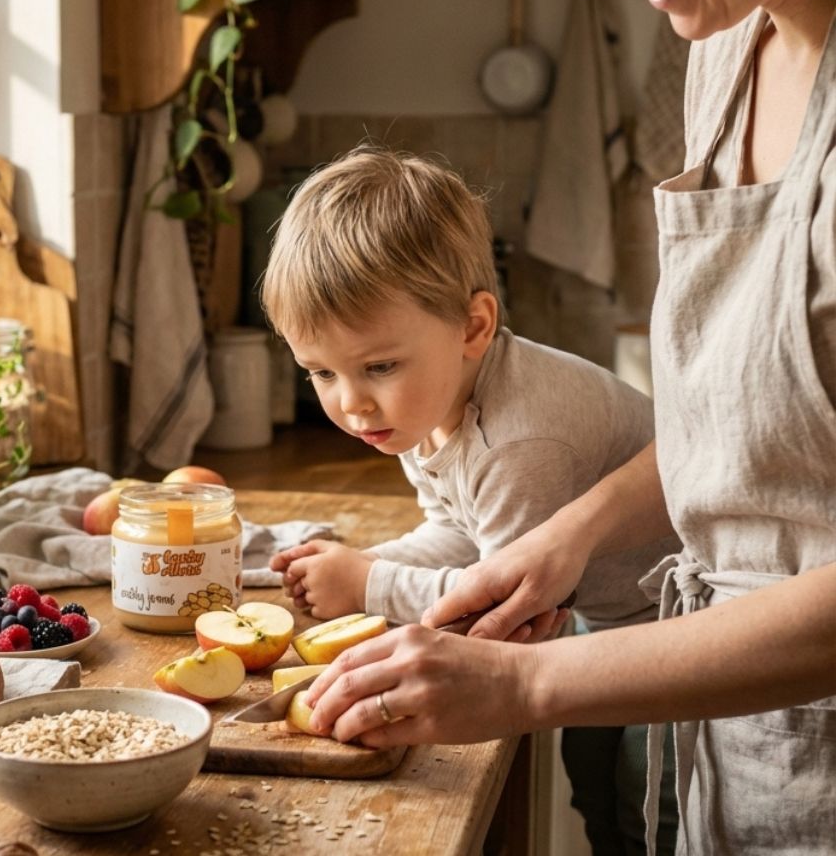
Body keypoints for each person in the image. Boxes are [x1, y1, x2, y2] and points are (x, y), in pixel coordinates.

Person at [301, 0, 836, 854]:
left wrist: (527, 680)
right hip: (735, 750)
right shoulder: (725, 46)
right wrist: (569, 536)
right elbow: (743, 436)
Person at [260, 146, 680, 853]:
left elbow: (502, 603)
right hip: (600, 621)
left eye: (378, 366)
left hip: (672, 632)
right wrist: (361, 563)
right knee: (597, 800)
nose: (351, 402)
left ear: (474, 327)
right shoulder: (428, 404)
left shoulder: (514, 442)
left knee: (651, 817)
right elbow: (457, 531)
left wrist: (368, 580)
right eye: (320, 373)